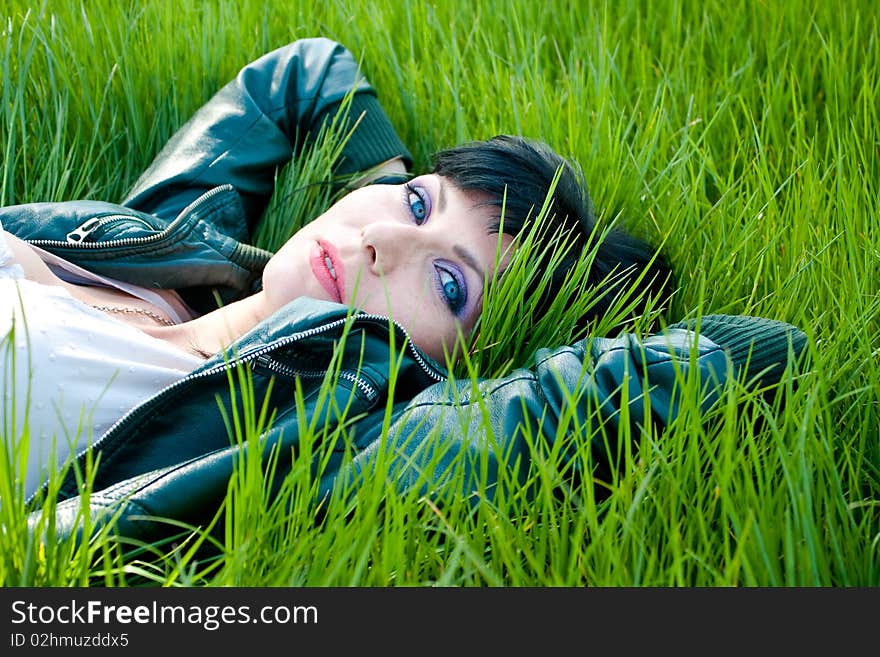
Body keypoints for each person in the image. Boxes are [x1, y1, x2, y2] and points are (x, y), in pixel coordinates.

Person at [0, 38, 806, 547]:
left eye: (449, 283)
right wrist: (390, 188)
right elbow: (305, 72)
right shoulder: (178, 247)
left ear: (455, 364)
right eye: (419, 200)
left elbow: (764, 347)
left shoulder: (283, 438)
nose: (381, 239)